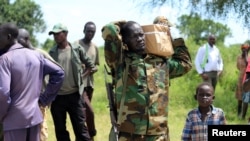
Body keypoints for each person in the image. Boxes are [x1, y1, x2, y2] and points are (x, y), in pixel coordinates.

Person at [103, 21, 192, 140]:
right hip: (129, 134)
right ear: (125, 41)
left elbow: (185, 64)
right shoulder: (120, 62)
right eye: (134, 36)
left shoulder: (160, 63)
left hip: (158, 134)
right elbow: (109, 30)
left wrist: (168, 35)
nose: (140, 39)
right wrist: (122, 24)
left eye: (141, 34)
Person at [0, 23, 64, 141]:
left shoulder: (5, 59)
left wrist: (1, 115)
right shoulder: (36, 55)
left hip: (14, 121)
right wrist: (44, 99)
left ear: (8, 37)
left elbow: (3, 93)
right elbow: (59, 72)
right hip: (34, 117)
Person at [48, 23, 96, 141]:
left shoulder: (76, 49)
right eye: (54, 34)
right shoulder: (51, 52)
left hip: (75, 96)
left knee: (81, 129)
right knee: (60, 131)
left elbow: (91, 66)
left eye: (58, 34)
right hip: (57, 98)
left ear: (66, 34)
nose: (55, 36)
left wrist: (82, 77)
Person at [17, 28, 61, 141]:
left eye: (18, 41)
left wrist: (45, 98)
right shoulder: (18, 55)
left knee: (40, 135)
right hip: (22, 104)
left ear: (26, 40)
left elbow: (58, 72)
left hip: (38, 103)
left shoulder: (40, 54)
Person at [73, 21, 99, 140]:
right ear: (84, 30)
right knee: (89, 111)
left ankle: (84, 137)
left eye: (93, 32)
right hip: (79, 85)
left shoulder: (95, 47)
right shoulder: (75, 45)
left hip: (90, 85)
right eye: (88, 31)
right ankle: (91, 134)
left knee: (84, 114)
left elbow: (96, 65)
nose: (90, 34)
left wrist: (93, 69)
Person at [235, 43, 249, 117]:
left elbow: (248, 65)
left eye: (246, 49)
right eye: (243, 48)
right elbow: (238, 66)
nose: (244, 50)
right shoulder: (239, 57)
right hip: (240, 78)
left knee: (246, 97)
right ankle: (239, 113)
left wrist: (246, 55)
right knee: (240, 97)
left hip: (248, 78)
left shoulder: (249, 57)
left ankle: (243, 116)